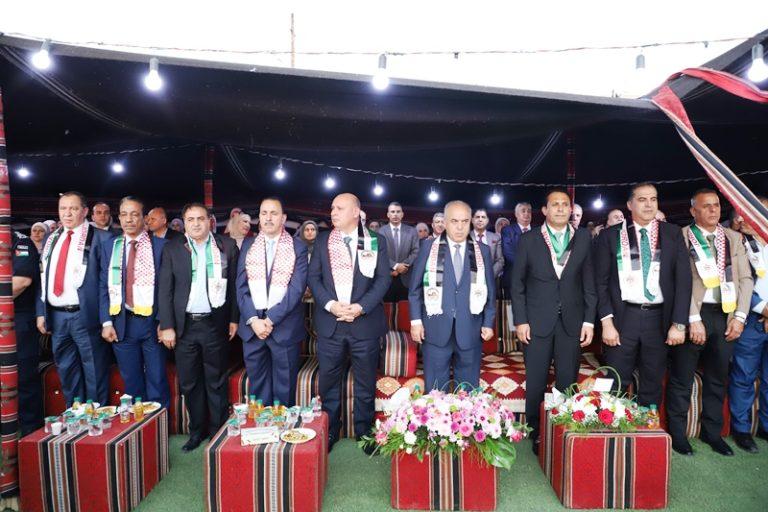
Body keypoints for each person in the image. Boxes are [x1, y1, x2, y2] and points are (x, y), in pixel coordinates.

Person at [666, 189, 752, 456]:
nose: (713, 210)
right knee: (682, 377)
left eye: (716, 205)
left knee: (718, 377)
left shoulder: (733, 238)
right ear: (693, 211)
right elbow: (678, 282)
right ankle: (678, 434)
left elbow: (745, 279)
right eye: (706, 206)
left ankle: (712, 433)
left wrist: (740, 317)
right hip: (693, 314)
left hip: (726, 315)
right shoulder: (680, 237)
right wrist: (692, 318)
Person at [510, 189, 596, 454]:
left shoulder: (583, 238)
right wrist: (520, 321)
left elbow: (589, 282)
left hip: (572, 320)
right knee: (536, 380)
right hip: (536, 321)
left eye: (565, 204)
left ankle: (560, 429)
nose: (560, 208)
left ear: (571, 210)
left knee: (566, 379)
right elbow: (517, 284)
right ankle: (536, 432)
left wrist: (589, 321)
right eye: (555, 204)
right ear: (545, 210)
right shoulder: (530, 239)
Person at [594, 183, 691, 416]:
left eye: (653, 199)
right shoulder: (611, 235)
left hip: (658, 318)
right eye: (642, 199)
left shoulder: (672, 233)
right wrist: (606, 322)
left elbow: (683, 281)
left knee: (652, 381)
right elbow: (600, 283)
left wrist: (679, 324)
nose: (649, 205)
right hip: (623, 317)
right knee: (616, 380)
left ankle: (648, 429)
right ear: (630, 205)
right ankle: (610, 429)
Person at [307, 193, 390, 452]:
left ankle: (364, 433)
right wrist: (331, 305)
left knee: (365, 383)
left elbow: (383, 279)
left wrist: (360, 307)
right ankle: (331, 430)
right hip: (331, 323)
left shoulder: (375, 240)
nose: (333, 212)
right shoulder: (323, 240)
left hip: (364, 323)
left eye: (340, 208)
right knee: (329, 383)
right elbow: (314, 278)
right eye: (332, 208)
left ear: (356, 212)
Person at [158, 203, 239, 452]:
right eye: (190, 219)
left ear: (210, 221)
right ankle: (196, 432)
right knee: (190, 382)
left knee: (216, 380)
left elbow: (235, 286)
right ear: (184, 223)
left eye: (200, 218)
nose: (196, 223)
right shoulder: (173, 248)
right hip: (184, 327)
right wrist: (167, 325)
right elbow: (165, 289)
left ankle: (217, 431)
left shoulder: (227, 246)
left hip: (215, 324)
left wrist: (234, 319)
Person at [36, 191, 113, 406]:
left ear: (85, 211)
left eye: (73, 208)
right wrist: (41, 312)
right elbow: (43, 276)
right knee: (66, 370)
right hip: (57, 315)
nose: (67, 213)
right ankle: (74, 415)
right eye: (63, 208)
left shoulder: (102, 238)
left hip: (85, 315)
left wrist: (106, 320)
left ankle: (97, 417)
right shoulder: (52, 238)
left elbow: (107, 284)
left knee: (94, 370)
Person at [409, 200, 496, 391]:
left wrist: (488, 322)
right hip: (436, 328)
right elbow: (415, 289)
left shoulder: (482, 251)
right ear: (445, 222)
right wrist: (415, 322)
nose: (460, 227)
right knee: (435, 393)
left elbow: (491, 290)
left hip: (471, 329)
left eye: (464, 221)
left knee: (468, 392)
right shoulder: (428, 247)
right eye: (454, 221)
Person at [99, 196, 170, 410]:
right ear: (119, 217)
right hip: (121, 322)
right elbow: (103, 285)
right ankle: (138, 425)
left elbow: (167, 288)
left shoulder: (161, 246)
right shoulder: (110, 246)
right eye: (124, 214)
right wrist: (106, 322)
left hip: (152, 322)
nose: (129, 219)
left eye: (134, 214)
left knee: (157, 379)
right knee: (131, 382)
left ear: (144, 218)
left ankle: (159, 425)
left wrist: (164, 321)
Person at [236, 197, 308, 407]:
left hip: (284, 328)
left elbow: (296, 289)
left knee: (284, 390)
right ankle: (261, 426)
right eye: (264, 213)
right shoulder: (248, 244)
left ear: (283, 218)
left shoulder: (298, 247)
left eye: (274, 213)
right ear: (259, 217)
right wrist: (253, 320)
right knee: (257, 389)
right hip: (252, 329)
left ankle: (283, 427)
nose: (268, 218)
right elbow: (240, 286)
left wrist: (269, 320)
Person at [729, 200, 768, 452]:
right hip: (752, 319)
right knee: (744, 376)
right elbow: (738, 282)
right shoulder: (739, 243)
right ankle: (741, 429)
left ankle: (766, 426)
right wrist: (764, 309)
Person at [14, 230, 43, 435]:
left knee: (24, 379)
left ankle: (30, 431)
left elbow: (21, 282)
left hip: (18, 322)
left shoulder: (20, 242)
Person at [379, 202, 419, 302]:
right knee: (387, 308)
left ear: (402, 214)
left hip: (407, 277)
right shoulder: (381, 231)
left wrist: (403, 266)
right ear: (388, 214)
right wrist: (396, 266)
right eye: (392, 212)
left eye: (398, 212)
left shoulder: (412, 231)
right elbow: (380, 253)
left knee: (405, 309)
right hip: (387, 276)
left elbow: (416, 251)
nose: (395, 214)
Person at [501, 202, 534, 298]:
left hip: (535, 281)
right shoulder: (507, 231)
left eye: (529, 211)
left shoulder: (539, 231)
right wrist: (527, 266)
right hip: (513, 278)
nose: (526, 214)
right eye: (523, 211)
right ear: (516, 214)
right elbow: (508, 252)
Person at [471, 208, 504, 278]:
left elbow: (500, 260)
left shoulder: (496, 238)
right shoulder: (465, 237)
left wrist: (490, 275)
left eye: (483, 217)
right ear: (472, 220)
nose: (480, 220)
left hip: (491, 278)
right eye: (477, 217)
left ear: (487, 220)